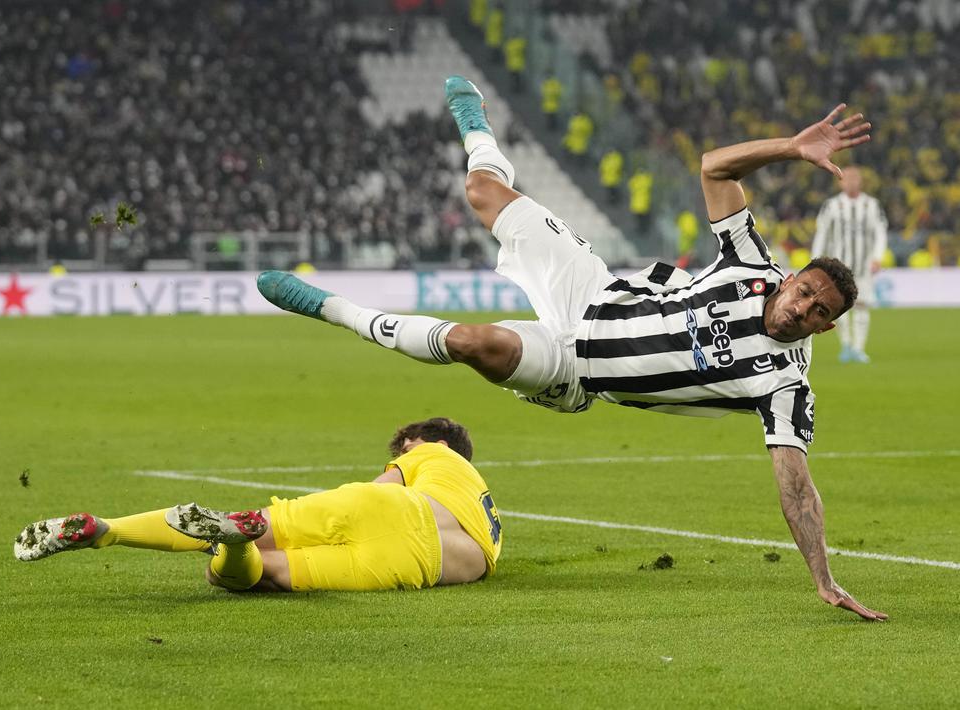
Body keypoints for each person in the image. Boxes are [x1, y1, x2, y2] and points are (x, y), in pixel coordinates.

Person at [258, 76, 887, 621]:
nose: (802, 307)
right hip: (590, 288)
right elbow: (714, 165)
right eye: (805, 290)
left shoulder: (784, 385)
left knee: (472, 342)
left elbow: (796, 485)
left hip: (576, 372)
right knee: (482, 193)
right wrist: (791, 147)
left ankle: (330, 308)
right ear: (791, 278)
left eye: (818, 311)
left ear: (824, 328)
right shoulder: (750, 262)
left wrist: (823, 579)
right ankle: (478, 124)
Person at [14, 418, 502, 593]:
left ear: (426, 439)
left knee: (224, 525)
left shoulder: (434, 453)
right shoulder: (490, 523)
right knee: (263, 574)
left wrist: (361, 494)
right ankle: (238, 548)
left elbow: (384, 486)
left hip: (390, 509)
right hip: (424, 562)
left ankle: (106, 529)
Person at [811, 166, 888, 363]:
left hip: (864, 266)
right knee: (839, 306)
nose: (851, 182)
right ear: (841, 182)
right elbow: (822, 234)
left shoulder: (871, 205)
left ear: (860, 181)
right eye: (847, 179)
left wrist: (877, 257)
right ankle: (846, 345)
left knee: (862, 306)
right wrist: (817, 259)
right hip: (839, 267)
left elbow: (880, 233)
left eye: (855, 178)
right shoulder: (831, 206)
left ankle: (859, 348)